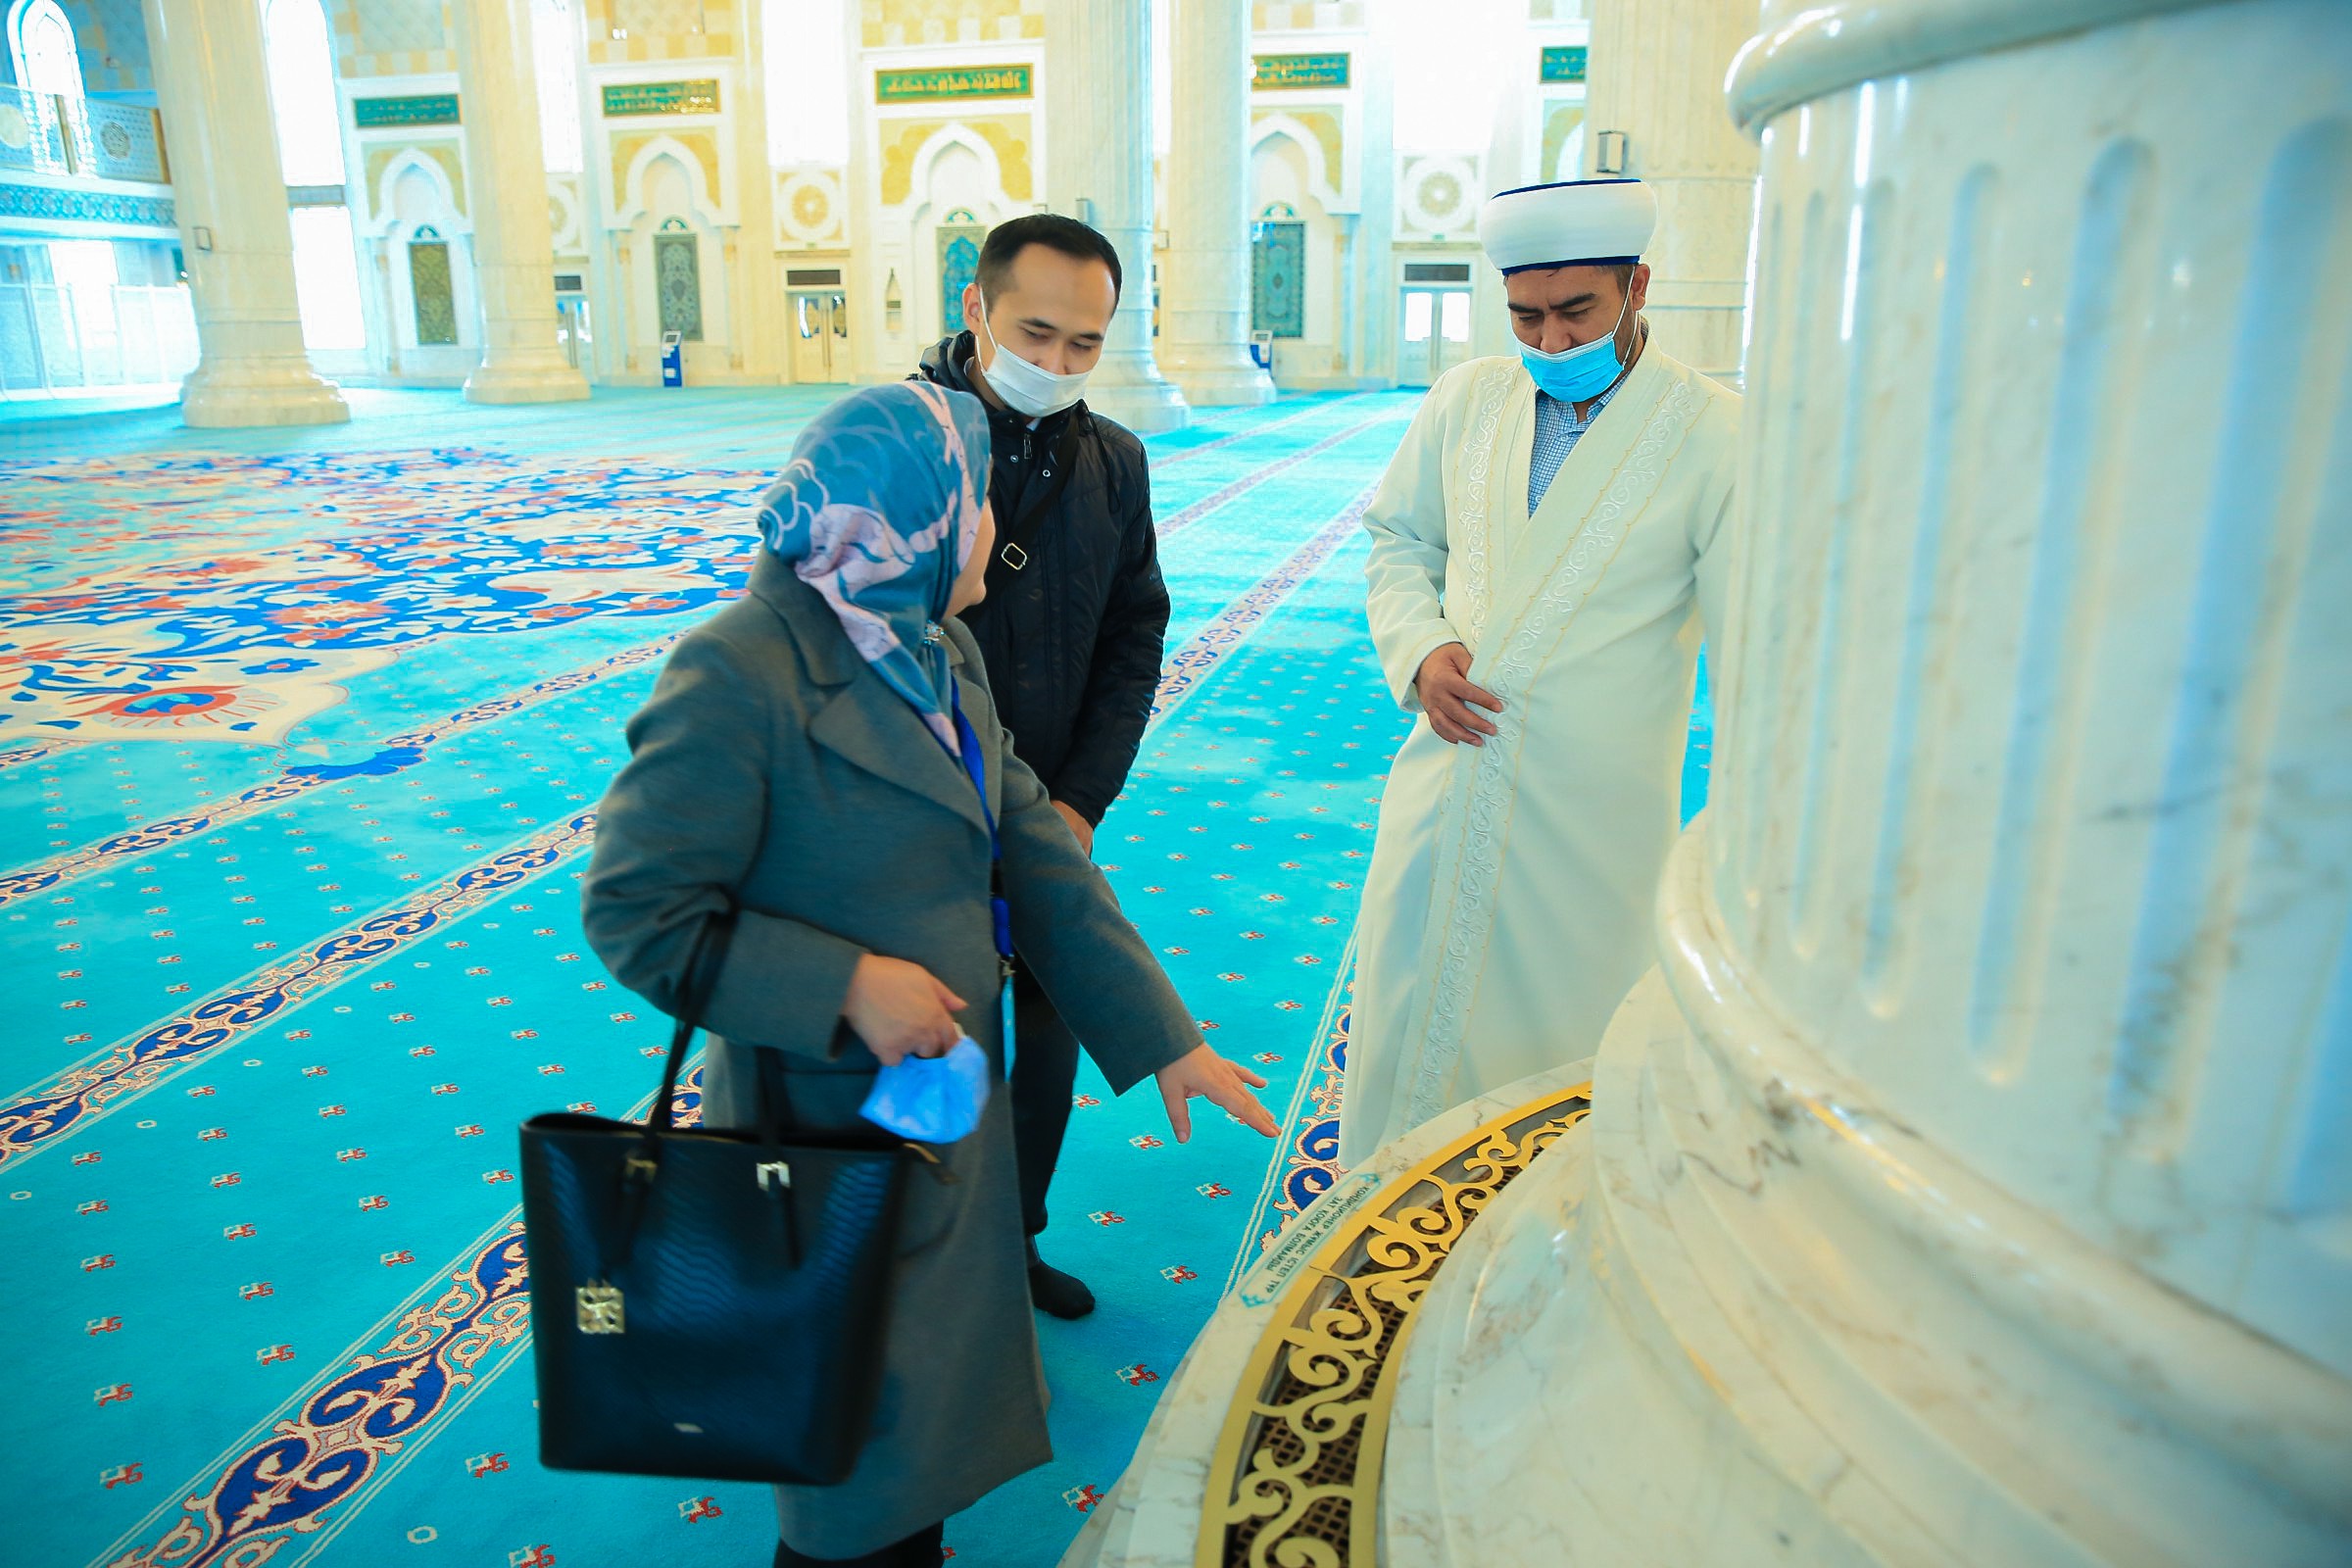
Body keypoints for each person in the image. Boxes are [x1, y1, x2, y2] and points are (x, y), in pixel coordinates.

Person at [580, 382, 1276, 1567]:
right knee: (850, 1455)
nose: (992, 523)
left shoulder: (932, 647)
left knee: (917, 1428)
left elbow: (1035, 848)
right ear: (905, 513)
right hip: (821, 1131)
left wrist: (1164, 1036)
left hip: (939, 1111)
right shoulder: (740, 672)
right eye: (976, 497)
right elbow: (637, 912)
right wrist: (844, 984)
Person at [1338, 177, 1740, 1168]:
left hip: (1593, 824)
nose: (1552, 342)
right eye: (1526, 316)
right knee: (1408, 1034)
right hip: (1445, 784)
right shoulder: (1466, 399)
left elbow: (1751, 651)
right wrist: (1420, 646)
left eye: (1577, 312)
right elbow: (1399, 540)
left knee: (1559, 1074)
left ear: (1638, 286)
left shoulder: (1717, 433)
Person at [909, 214, 1168, 1320]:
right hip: (921, 823)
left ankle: (1012, 1242)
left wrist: (1079, 803)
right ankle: (921, 1266)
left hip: (1054, 816)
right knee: (931, 1047)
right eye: (1036, 333)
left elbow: (1134, 634)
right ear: (976, 308)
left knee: (1045, 1046)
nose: (1058, 363)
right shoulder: (901, 445)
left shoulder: (1113, 462)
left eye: (1085, 343)